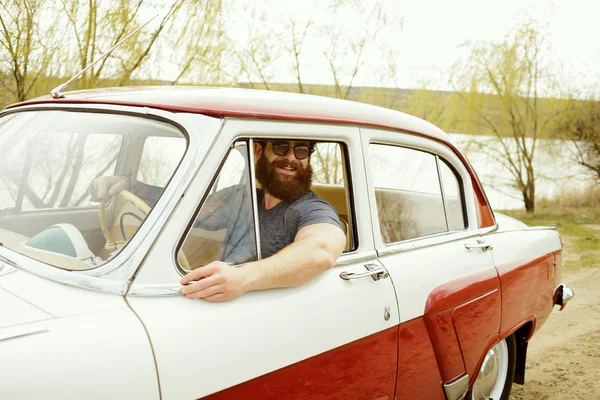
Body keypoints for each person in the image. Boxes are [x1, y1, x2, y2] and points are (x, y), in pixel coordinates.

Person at [90, 140, 346, 302]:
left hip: (264, 309)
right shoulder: (241, 197)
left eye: (301, 150)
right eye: (281, 147)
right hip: (224, 299)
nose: (291, 158)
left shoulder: (311, 209)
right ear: (259, 152)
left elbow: (321, 251)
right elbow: (187, 208)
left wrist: (243, 278)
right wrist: (128, 185)